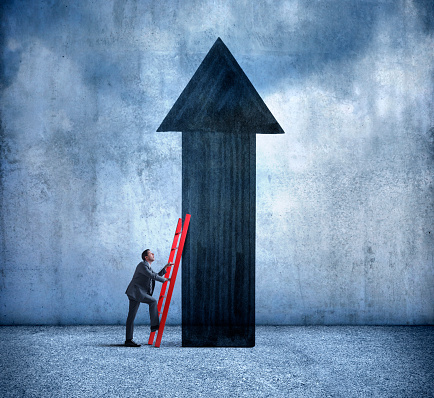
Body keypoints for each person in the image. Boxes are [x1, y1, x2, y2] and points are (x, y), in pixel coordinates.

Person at [124, 249, 172, 347]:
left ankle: (128, 340)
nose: (153, 254)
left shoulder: (148, 266)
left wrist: (165, 268)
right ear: (146, 257)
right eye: (151, 253)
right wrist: (165, 279)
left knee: (131, 317)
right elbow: (151, 275)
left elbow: (155, 275)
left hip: (135, 293)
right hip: (136, 292)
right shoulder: (142, 265)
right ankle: (154, 325)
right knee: (153, 301)